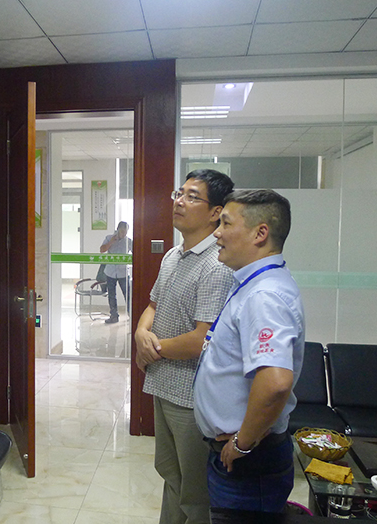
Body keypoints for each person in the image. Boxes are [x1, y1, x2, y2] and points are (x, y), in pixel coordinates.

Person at [192, 189, 305, 516]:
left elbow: (275, 383)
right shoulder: (254, 283)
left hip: (249, 460)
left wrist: (242, 444)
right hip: (242, 453)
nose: (217, 233)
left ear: (260, 233)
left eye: (226, 224)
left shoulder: (264, 296)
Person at [135, 169, 234, 524]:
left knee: (194, 491)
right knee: (170, 474)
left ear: (215, 212)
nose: (179, 201)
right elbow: (153, 305)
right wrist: (140, 333)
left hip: (192, 396)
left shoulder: (217, 265)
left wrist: (152, 349)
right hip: (163, 384)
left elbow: (201, 339)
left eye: (193, 197)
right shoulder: (173, 255)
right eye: (179, 193)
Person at [99, 221, 132, 324]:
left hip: (123, 272)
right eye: (122, 231)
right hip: (110, 272)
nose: (124, 234)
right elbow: (102, 250)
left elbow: (136, 253)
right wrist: (111, 242)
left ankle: (131, 315)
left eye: (125, 231)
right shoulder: (109, 238)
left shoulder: (129, 241)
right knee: (111, 295)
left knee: (128, 295)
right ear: (117, 230)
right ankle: (114, 316)